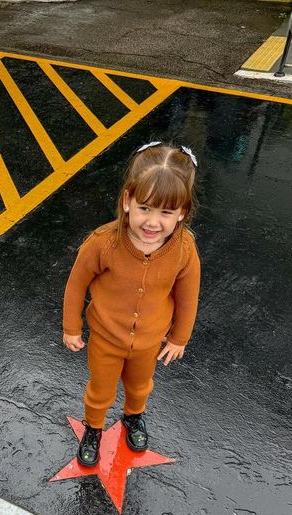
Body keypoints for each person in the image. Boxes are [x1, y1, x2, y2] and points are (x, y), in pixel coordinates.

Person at [62, 141, 201, 466]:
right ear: (127, 201)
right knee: (100, 388)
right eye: (145, 208)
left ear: (182, 211)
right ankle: (94, 429)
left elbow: (187, 296)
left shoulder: (184, 250)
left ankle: (133, 416)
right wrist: (71, 327)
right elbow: (76, 284)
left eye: (166, 212)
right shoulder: (103, 243)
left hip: (149, 341)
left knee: (141, 385)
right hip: (106, 339)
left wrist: (180, 337)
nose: (153, 222)